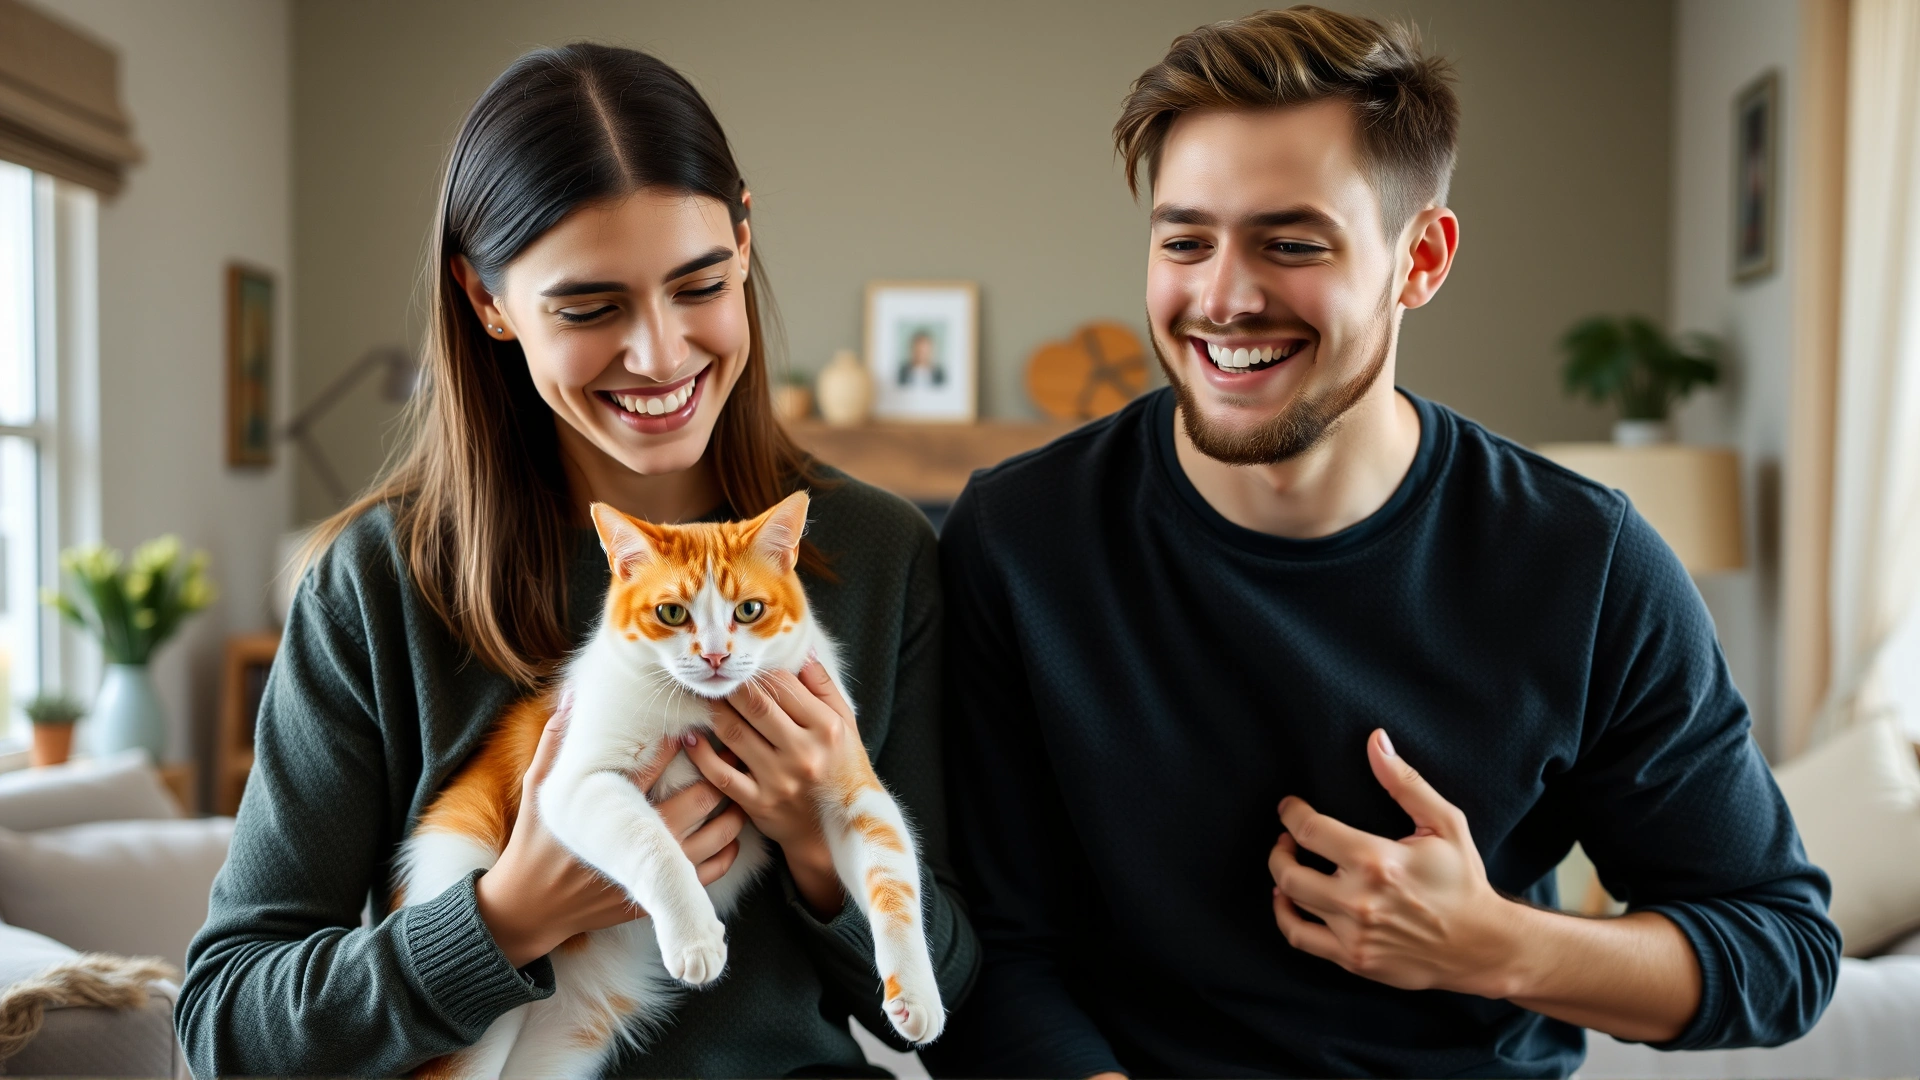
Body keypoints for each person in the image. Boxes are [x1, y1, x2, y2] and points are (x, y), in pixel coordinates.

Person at [925, 7, 1838, 1078]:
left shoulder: (1584, 563)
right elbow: (994, 953)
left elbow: (1783, 953)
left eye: (1292, 243)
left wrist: (1498, 945)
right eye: (1185, 240)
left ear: (1423, 259)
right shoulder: (1019, 539)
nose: (1221, 296)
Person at [176, 44, 975, 1078]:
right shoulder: (376, 583)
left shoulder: (876, 553)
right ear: (487, 300)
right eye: (590, 308)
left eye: (701, 284)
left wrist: (817, 841)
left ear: (744, 237)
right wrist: (508, 917)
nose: (660, 355)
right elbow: (226, 1028)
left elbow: (948, 991)